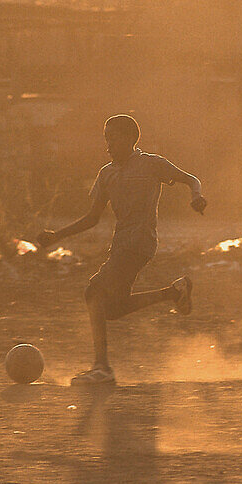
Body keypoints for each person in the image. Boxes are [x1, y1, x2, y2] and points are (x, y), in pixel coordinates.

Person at [38, 114, 207, 386]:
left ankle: (102, 368)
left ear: (130, 138)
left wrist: (196, 196)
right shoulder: (107, 174)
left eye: (113, 138)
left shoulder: (151, 164)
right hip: (121, 246)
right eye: (106, 139)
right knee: (111, 309)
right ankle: (174, 292)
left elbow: (191, 179)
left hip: (140, 242)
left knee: (94, 291)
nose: (108, 145)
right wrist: (57, 235)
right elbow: (92, 217)